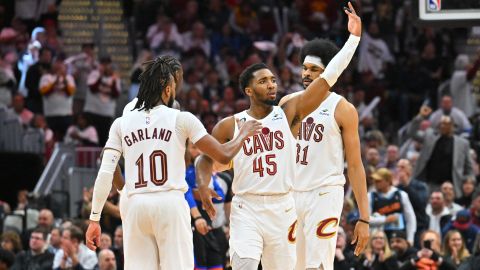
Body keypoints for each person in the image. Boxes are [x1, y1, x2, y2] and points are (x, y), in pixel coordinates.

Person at [196, 3, 366, 269]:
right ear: (248, 90)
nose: (272, 84)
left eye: (273, 79)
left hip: (299, 201)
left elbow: (329, 77)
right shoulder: (232, 124)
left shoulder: (290, 112)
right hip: (256, 203)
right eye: (263, 81)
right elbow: (205, 159)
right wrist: (204, 183)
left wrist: (353, 40)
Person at [85, 57, 262, 270]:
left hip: (135, 205)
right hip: (169, 202)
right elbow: (223, 156)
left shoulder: (120, 123)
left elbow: (105, 172)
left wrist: (94, 218)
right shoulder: (181, 118)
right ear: (168, 90)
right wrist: (242, 134)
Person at [277, 7, 369, 269]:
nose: (306, 74)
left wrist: (364, 217)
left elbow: (355, 165)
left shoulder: (343, 109)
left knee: (317, 265)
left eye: (313, 70)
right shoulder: (288, 102)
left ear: (328, 74)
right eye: (304, 68)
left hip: (324, 193)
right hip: (291, 194)